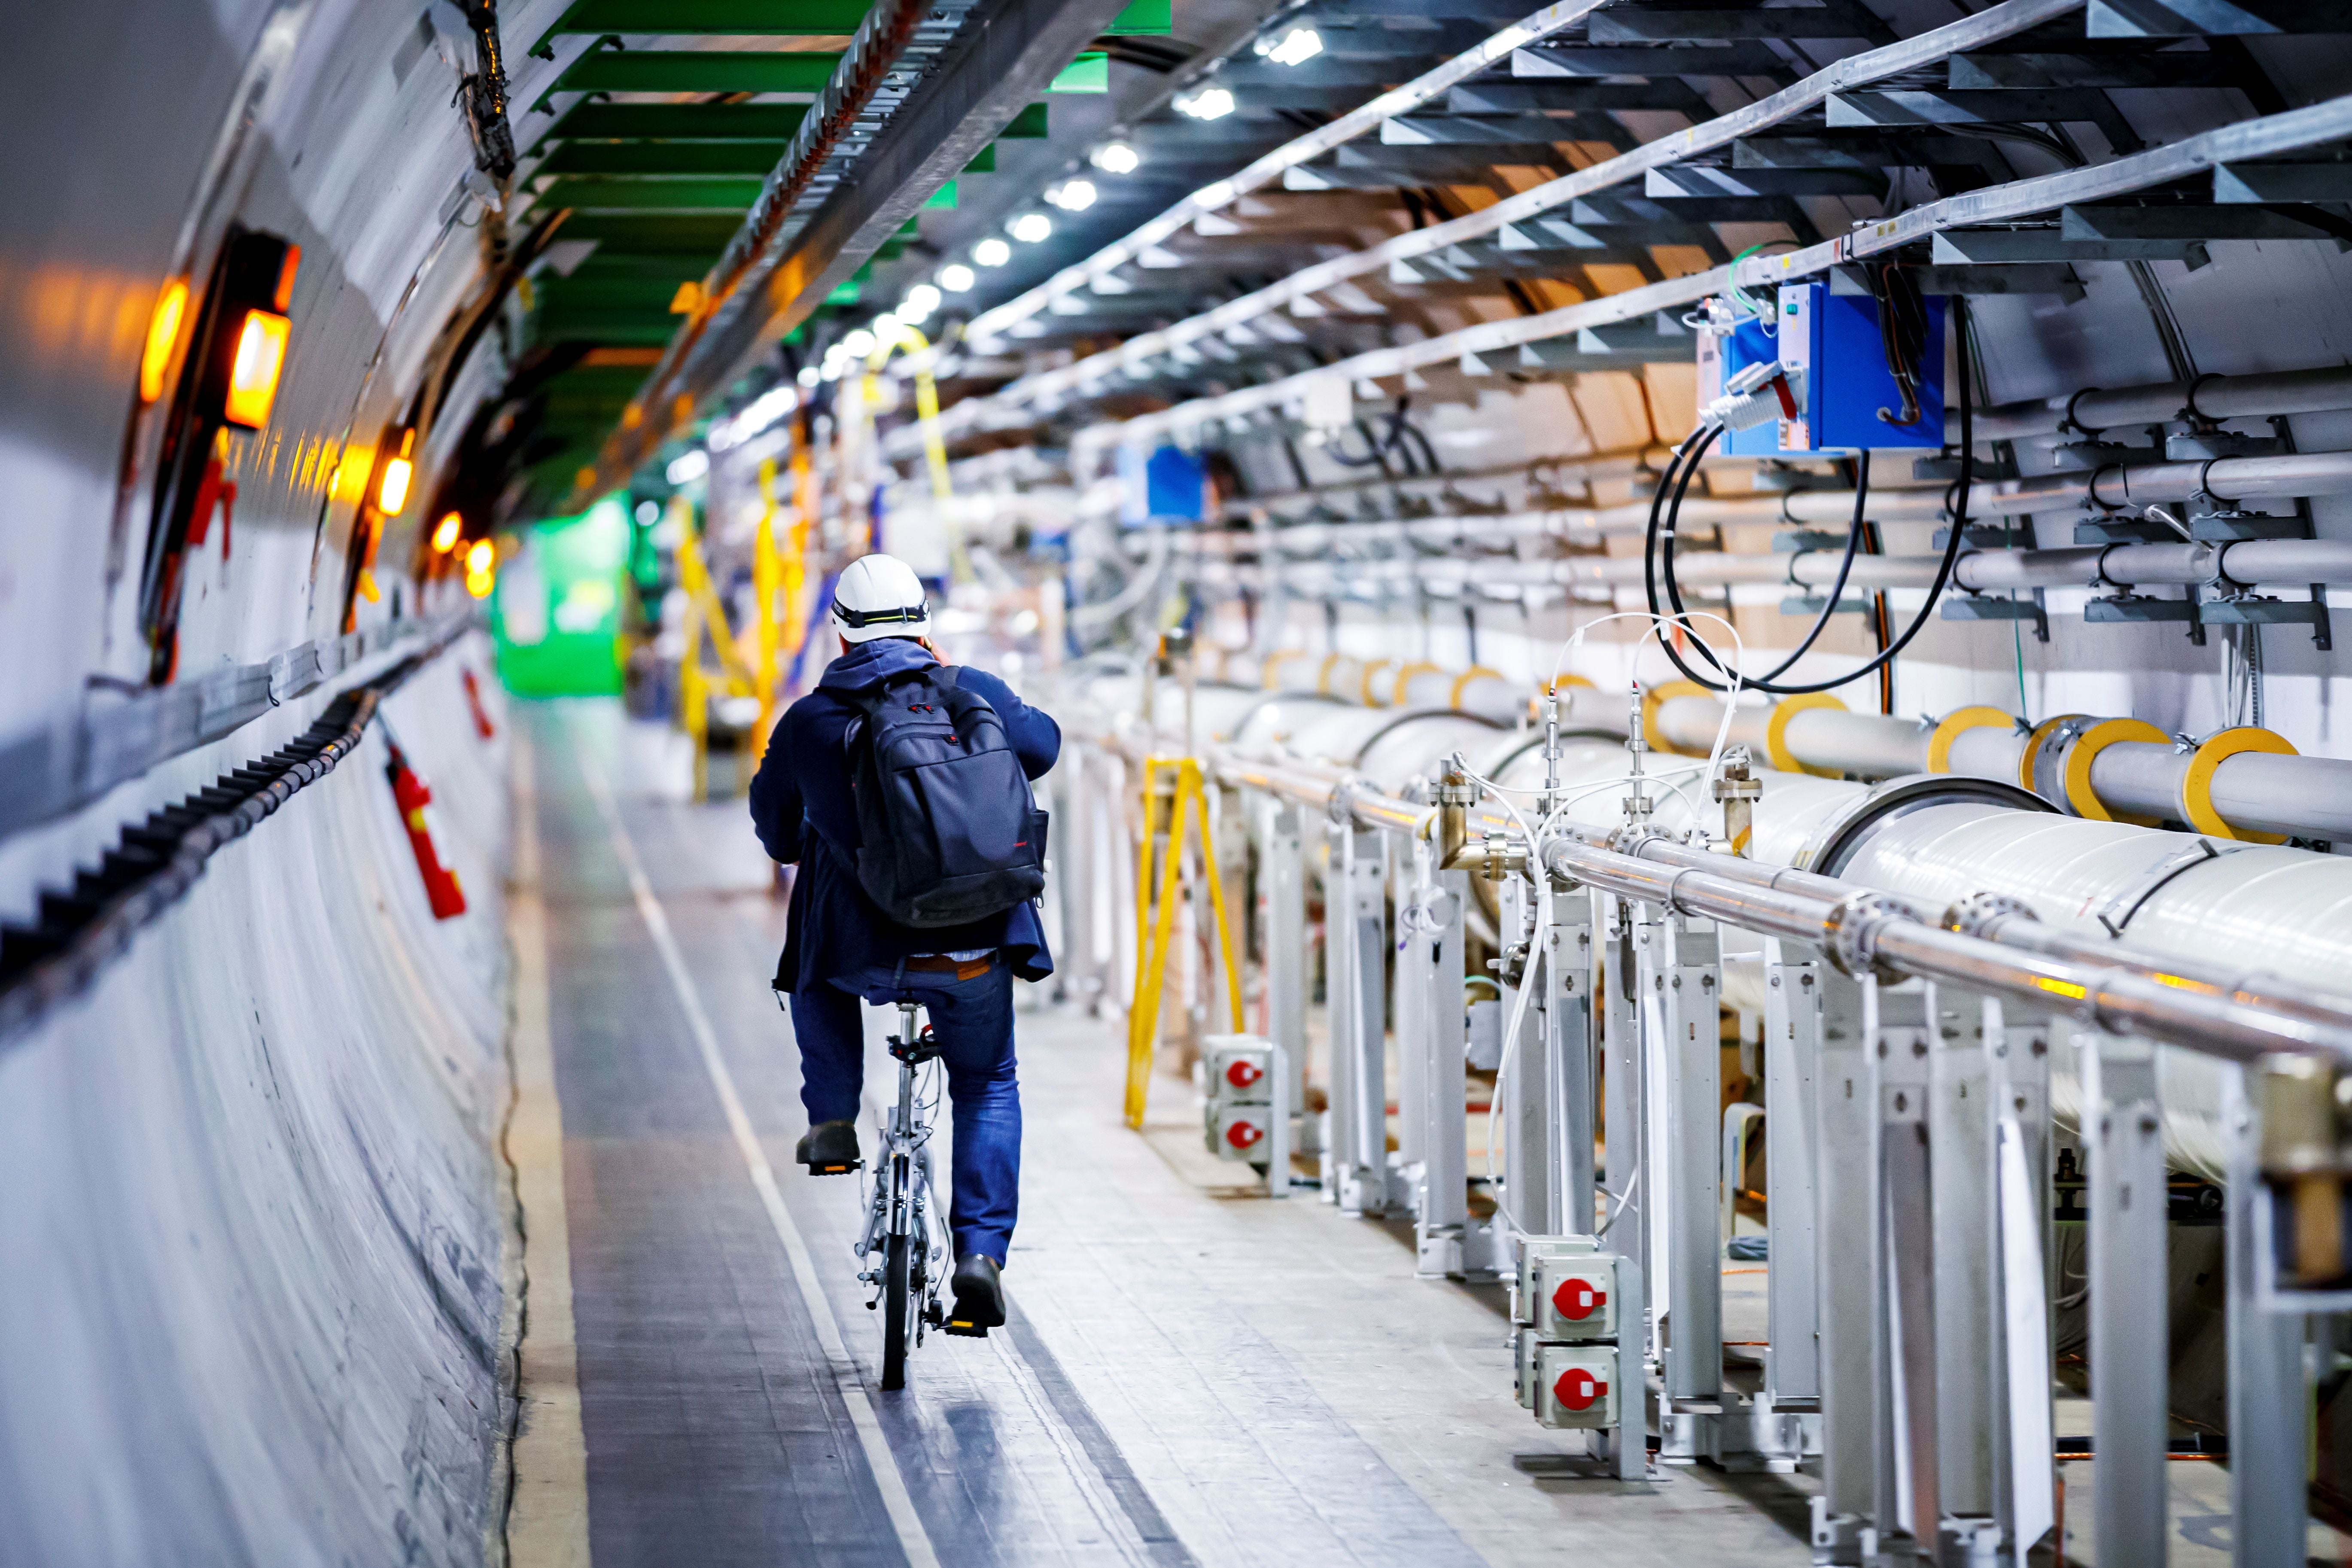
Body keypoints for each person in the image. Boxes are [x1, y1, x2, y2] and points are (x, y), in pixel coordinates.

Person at [748, 552, 1059, 1334]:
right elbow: (1045, 747)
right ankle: (981, 1255)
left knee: (811, 970)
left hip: (861, 951)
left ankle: (832, 1121)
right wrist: (964, 690)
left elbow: (776, 831)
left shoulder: (810, 721)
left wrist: (815, 830)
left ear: (843, 635)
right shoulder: (972, 693)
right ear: (923, 624)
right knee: (986, 1084)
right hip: (973, 947)